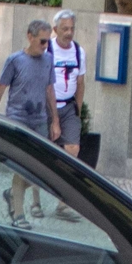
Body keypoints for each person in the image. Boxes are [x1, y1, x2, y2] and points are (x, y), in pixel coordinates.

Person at [0, 17, 58, 140]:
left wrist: (55, 121)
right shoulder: (15, 60)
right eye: (42, 41)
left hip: (40, 121)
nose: (45, 46)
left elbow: (50, 90)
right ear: (30, 37)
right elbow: (0, 89)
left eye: (48, 42)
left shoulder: (48, 59)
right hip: (17, 119)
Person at [49, 10, 87, 157]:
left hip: (69, 106)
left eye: (72, 28)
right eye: (65, 29)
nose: (69, 33)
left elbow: (81, 83)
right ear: (55, 30)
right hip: (47, 106)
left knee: (73, 146)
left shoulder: (79, 51)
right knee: (45, 145)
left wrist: (78, 109)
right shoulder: (47, 49)